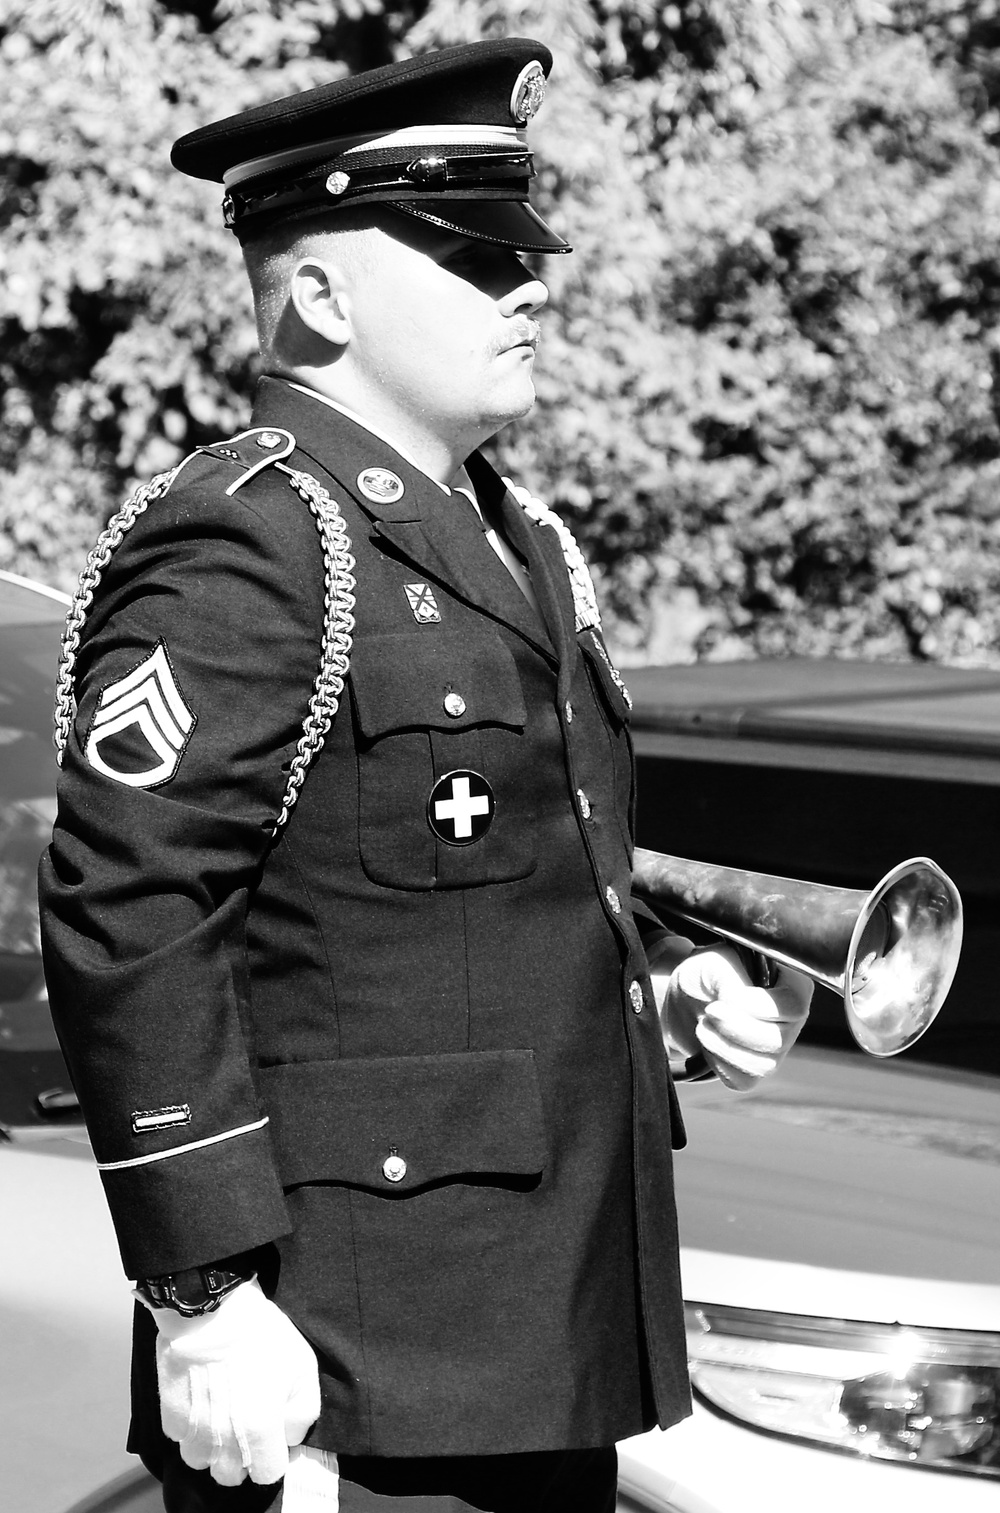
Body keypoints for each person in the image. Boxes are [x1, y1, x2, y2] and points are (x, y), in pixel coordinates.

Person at [38, 37, 811, 1513]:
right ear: (321, 296)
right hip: (346, 1364)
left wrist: (660, 990)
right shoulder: (256, 537)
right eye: (469, 254)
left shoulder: (515, 537)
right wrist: (200, 1289)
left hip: (537, 1331)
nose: (528, 284)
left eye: (520, 247)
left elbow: (464, 896)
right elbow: (125, 903)